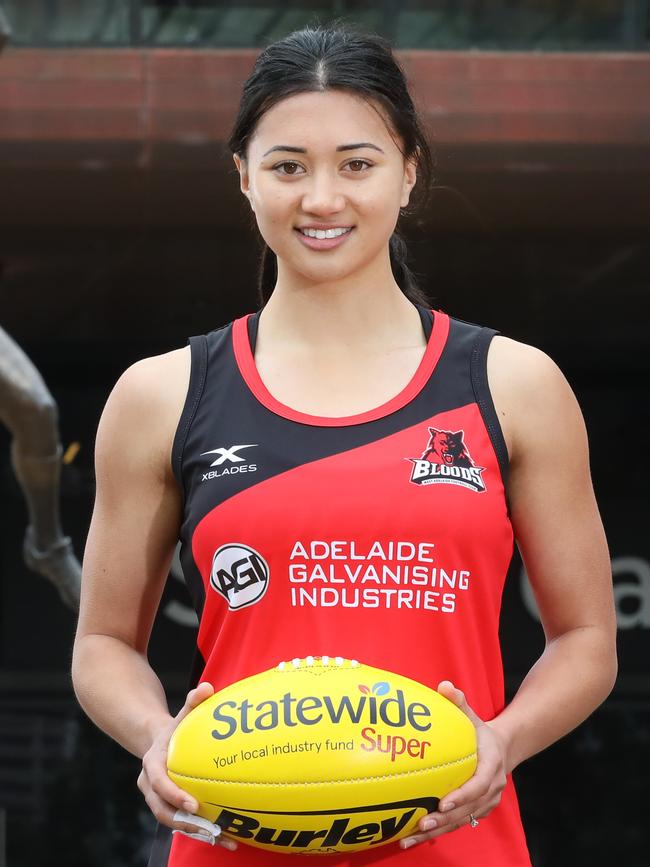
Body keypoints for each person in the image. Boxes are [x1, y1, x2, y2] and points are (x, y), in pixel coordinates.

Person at [71, 23, 617, 867]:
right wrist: (156, 734)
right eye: (288, 165)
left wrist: (502, 738)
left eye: (356, 164)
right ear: (244, 178)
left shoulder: (514, 384)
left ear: (409, 172)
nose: (321, 198)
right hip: (232, 838)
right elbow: (104, 644)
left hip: (456, 847)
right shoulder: (162, 393)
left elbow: (586, 638)